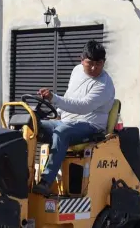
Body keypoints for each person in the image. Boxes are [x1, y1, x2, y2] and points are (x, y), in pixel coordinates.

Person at [32, 40, 115, 196]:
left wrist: (54, 98)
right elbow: (70, 95)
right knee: (30, 125)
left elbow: (82, 106)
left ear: (103, 63)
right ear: (81, 59)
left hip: (90, 126)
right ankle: (20, 176)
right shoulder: (77, 70)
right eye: (89, 63)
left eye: (98, 64)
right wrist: (57, 112)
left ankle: (45, 181)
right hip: (66, 122)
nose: (93, 68)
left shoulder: (104, 85)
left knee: (63, 131)